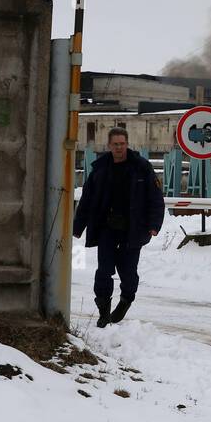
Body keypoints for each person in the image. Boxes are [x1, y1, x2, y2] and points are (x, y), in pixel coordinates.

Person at [73, 127, 164, 327]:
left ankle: (125, 302)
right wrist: (78, 227)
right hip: (106, 229)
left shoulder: (141, 167)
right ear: (109, 145)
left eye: (122, 144)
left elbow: (156, 198)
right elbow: (87, 200)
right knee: (104, 271)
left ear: (127, 144)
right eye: (115, 144)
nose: (119, 148)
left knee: (128, 273)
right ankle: (103, 312)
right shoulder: (100, 169)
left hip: (133, 229)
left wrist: (154, 224)